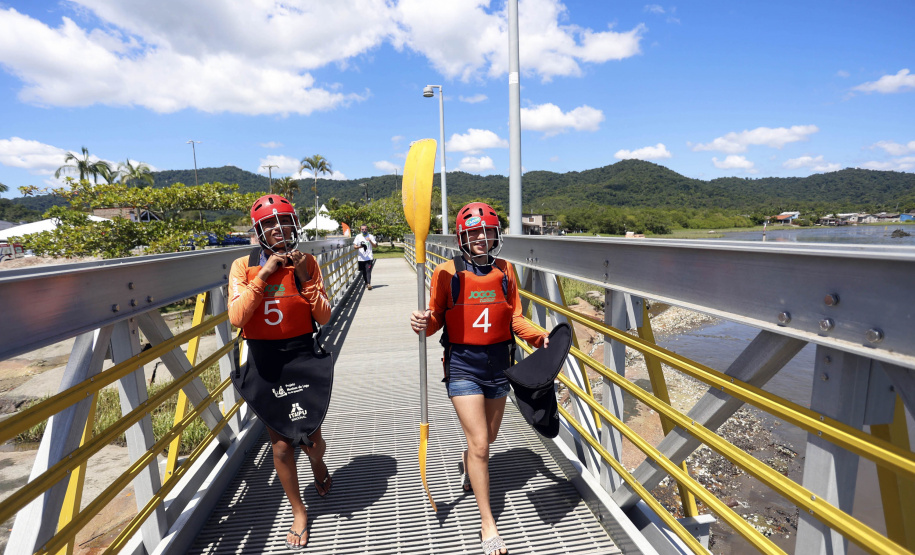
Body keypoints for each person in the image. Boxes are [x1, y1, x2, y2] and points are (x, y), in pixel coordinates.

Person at [410, 202, 549, 555]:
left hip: (499, 364)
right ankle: (488, 524)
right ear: (462, 236)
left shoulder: (505, 271)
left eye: (487, 231)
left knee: (486, 439)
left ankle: (469, 463)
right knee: (482, 444)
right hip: (462, 365)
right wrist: (422, 324)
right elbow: (436, 319)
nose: (481, 238)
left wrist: (538, 336)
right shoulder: (446, 273)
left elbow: (513, 318)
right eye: (473, 232)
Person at [228, 194, 333, 550]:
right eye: (269, 224)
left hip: (302, 354)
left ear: (294, 225)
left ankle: (318, 465)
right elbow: (237, 318)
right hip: (266, 360)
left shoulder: (309, 263)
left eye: (283, 222)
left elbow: (323, 317)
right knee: (282, 445)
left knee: (313, 438)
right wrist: (266, 274)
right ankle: (299, 511)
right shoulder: (243, 266)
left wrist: (303, 277)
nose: (278, 229)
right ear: (259, 231)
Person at [352, 224, 377, 290]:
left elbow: (375, 246)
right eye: (362, 229)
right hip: (361, 258)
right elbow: (354, 246)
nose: (364, 230)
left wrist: (370, 241)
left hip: (369, 257)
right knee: (363, 271)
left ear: (367, 229)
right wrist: (360, 246)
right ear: (360, 230)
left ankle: (369, 284)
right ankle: (366, 283)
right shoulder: (358, 236)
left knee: (368, 270)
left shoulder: (371, 236)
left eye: (365, 229)